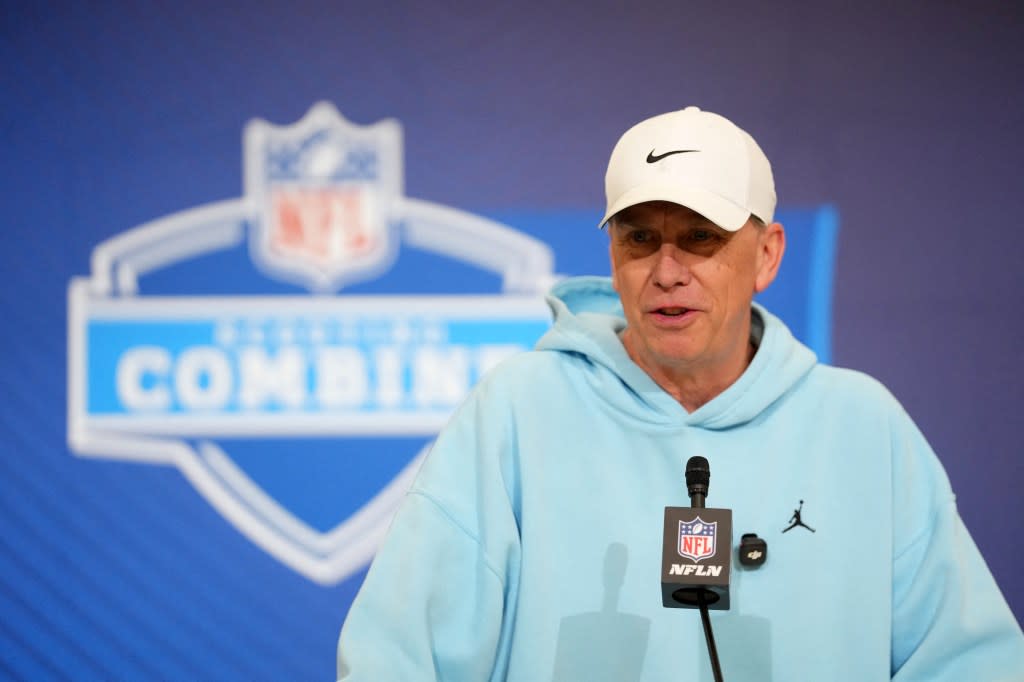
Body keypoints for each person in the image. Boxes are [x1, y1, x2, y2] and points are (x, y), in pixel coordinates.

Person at [337, 107, 1024, 680]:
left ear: (768, 254)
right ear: (612, 253)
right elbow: (393, 659)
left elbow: (972, 664)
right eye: (640, 238)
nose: (667, 271)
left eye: (700, 238)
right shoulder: (517, 412)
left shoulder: (864, 428)